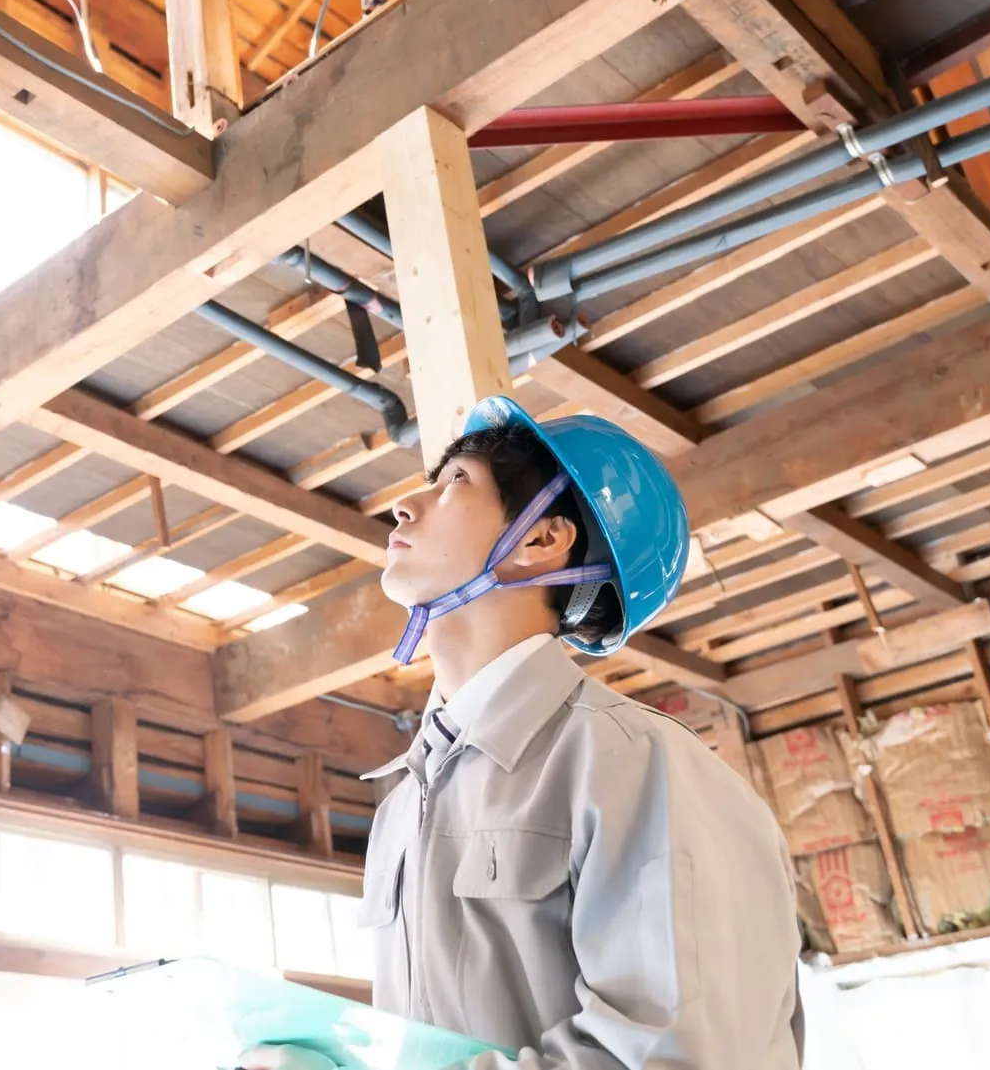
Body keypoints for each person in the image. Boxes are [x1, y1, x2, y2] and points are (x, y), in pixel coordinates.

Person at [247, 397, 803, 1070]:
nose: (404, 506)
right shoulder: (401, 807)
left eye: (455, 483)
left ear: (541, 540)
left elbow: (670, 1057)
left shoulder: (637, 767)